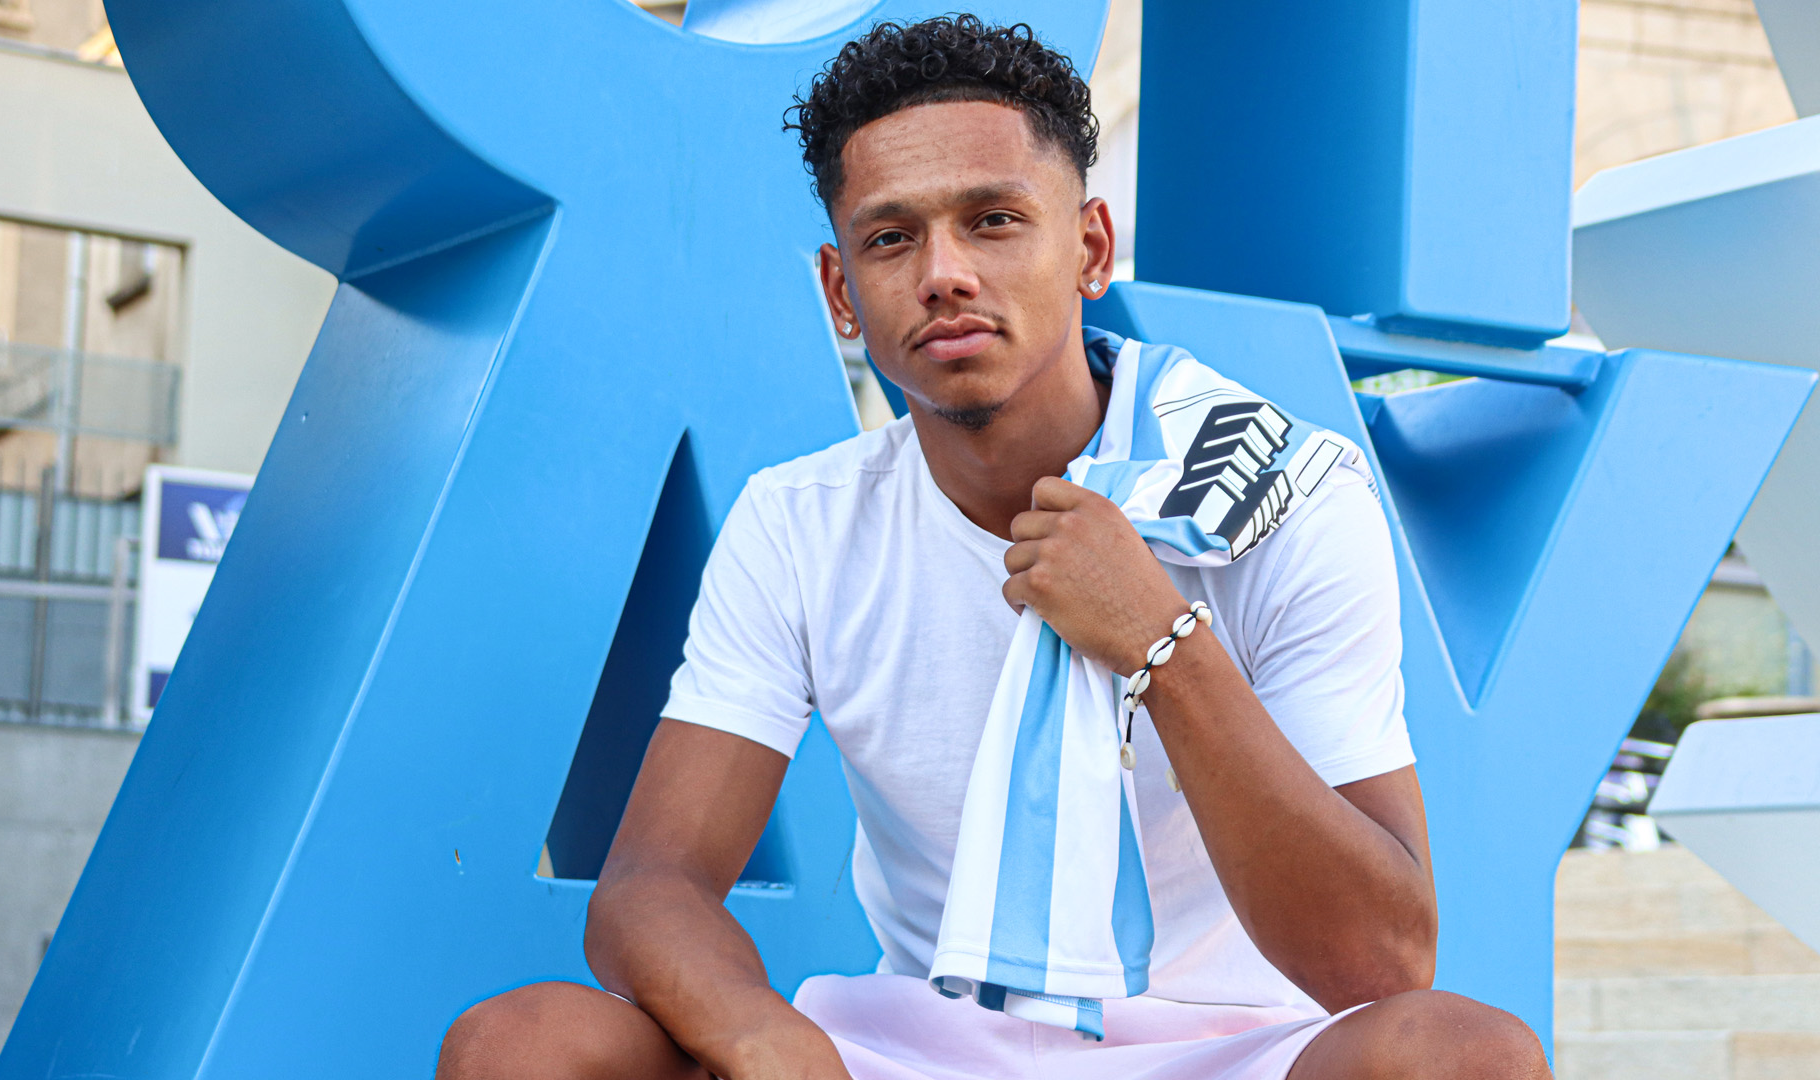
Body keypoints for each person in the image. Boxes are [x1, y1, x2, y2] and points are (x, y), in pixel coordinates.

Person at [438, 15, 1551, 1080]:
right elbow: (652, 885)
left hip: (1223, 1049)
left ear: (1091, 247)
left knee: (1469, 1059)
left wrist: (1162, 646)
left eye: (994, 220)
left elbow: (1382, 965)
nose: (945, 273)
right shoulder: (803, 521)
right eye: (890, 238)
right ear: (840, 292)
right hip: (916, 1044)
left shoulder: (1279, 493)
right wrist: (768, 1043)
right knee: (521, 1047)